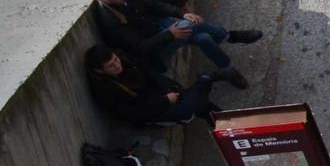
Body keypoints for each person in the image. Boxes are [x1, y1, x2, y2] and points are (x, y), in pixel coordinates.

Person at [88, 0, 258, 85]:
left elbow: (155, 5)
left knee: (203, 38)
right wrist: (170, 34)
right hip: (155, 50)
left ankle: (227, 70)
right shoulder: (109, 20)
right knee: (191, 25)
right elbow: (140, 48)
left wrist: (182, 14)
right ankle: (230, 36)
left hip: (163, 29)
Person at [84, 44, 227, 126]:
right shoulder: (105, 90)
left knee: (198, 102)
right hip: (151, 113)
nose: (117, 65)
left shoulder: (125, 60)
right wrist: (165, 101)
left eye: (115, 60)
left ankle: (225, 123)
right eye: (110, 66)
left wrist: (167, 91)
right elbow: (133, 113)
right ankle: (205, 80)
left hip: (162, 93)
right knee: (189, 108)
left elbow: (151, 75)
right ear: (99, 70)